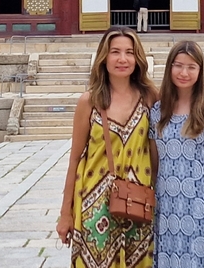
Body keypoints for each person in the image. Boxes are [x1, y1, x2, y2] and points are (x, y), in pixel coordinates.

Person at [57, 27, 158, 268]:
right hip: (94, 204)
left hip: (139, 203)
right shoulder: (89, 101)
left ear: (138, 58)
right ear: (104, 57)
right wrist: (66, 213)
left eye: (129, 52)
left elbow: (166, 144)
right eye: (115, 52)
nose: (122, 59)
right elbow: (74, 159)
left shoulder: (150, 97)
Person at [150, 40, 204, 268]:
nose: (184, 73)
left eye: (191, 67)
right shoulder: (157, 112)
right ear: (169, 68)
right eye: (178, 65)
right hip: (165, 208)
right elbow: (155, 166)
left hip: (200, 206)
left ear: (200, 71)